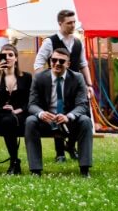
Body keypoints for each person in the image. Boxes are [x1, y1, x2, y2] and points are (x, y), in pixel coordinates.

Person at [34, 9, 94, 162]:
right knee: (57, 114)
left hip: (75, 86)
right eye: (69, 23)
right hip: (57, 84)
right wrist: (46, 82)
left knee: (79, 114)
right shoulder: (50, 42)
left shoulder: (78, 42)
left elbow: (83, 64)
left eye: (74, 22)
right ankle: (60, 153)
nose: (73, 25)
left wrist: (89, 84)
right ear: (60, 23)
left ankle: (71, 145)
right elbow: (38, 64)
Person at [25, 48, 93, 177]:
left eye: (61, 61)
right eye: (54, 60)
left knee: (85, 121)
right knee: (30, 121)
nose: (57, 63)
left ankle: (85, 169)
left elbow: (82, 105)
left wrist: (69, 116)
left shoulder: (77, 78)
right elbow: (32, 105)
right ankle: (35, 170)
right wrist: (41, 114)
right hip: (47, 121)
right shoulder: (39, 78)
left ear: (68, 64)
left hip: (69, 121)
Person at [0, 44, 32, 175]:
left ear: (16, 58)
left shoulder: (26, 77)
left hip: (19, 114)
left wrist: (17, 110)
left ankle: (14, 162)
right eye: (4, 55)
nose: (8, 58)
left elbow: (30, 100)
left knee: (8, 121)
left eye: (11, 55)